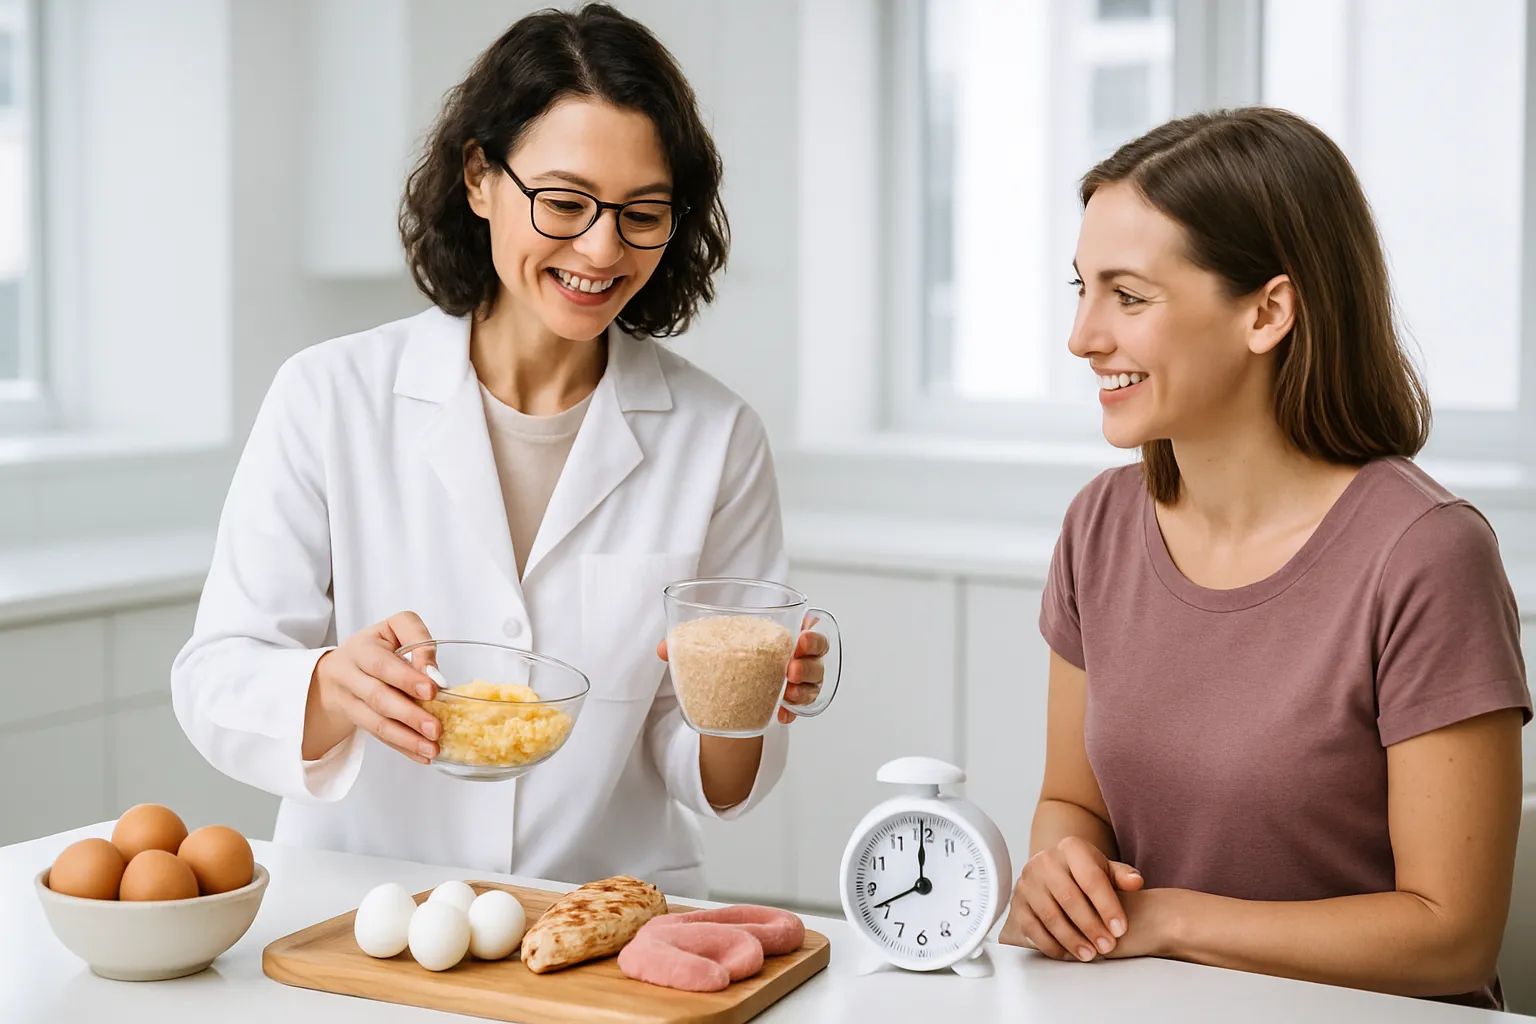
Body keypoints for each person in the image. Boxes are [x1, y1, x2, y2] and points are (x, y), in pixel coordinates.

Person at [171, 3, 826, 899]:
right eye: (563, 202)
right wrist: (331, 686)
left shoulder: (716, 436)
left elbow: (710, 777)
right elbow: (217, 676)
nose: (601, 248)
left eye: (643, 212)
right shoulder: (329, 396)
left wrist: (745, 700)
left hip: (601, 921)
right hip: (364, 909)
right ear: (480, 176)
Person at [998, 107, 1530, 1010]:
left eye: (1128, 297)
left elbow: (1452, 937)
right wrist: (1065, 872)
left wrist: (1165, 920)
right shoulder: (1099, 526)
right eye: (1080, 289)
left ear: (1267, 312)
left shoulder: (1426, 555)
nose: (1083, 336)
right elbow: (1072, 806)